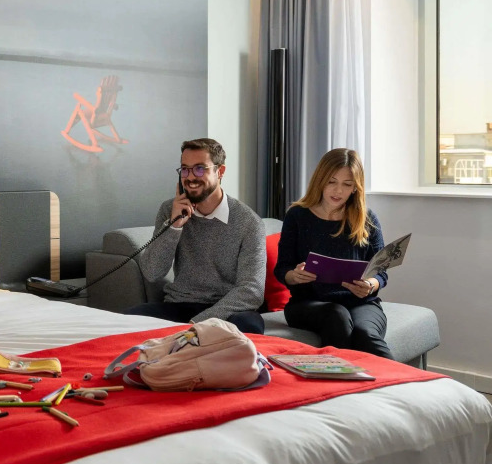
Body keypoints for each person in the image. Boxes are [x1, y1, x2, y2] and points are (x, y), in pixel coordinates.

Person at [125, 138, 266, 334]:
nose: (190, 177)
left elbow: (252, 290)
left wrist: (198, 323)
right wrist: (174, 226)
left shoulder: (248, 222)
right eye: (185, 169)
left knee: (249, 326)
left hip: (228, 309)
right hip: (180, 304)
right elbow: (152, 272)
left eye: (200, 169)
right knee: (127, 321)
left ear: (220, 171)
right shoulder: (170, 210)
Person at [273, 147, 392, 358]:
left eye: (347, 184)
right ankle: (340, 376)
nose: (338, 191)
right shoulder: (297, 216)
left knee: (365, 334)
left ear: (355, 188)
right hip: (307, 304)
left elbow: (381, 272)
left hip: (360, 302)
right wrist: (294, 275)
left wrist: (370, 285)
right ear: (320, 180)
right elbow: (282, 269)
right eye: (331, 182)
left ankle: (404, 379)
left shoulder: (367, 218)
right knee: (336, 315)